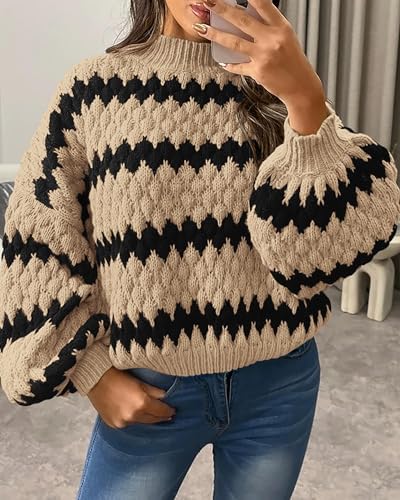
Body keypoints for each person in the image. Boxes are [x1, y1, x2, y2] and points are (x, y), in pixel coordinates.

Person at [0, 1, 399, 499]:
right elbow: (38, 236)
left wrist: (305, 99)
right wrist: (92, 374)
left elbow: (313, 261)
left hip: (279, 382)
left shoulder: (278, 86)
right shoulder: (93, 89)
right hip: (152, 385)